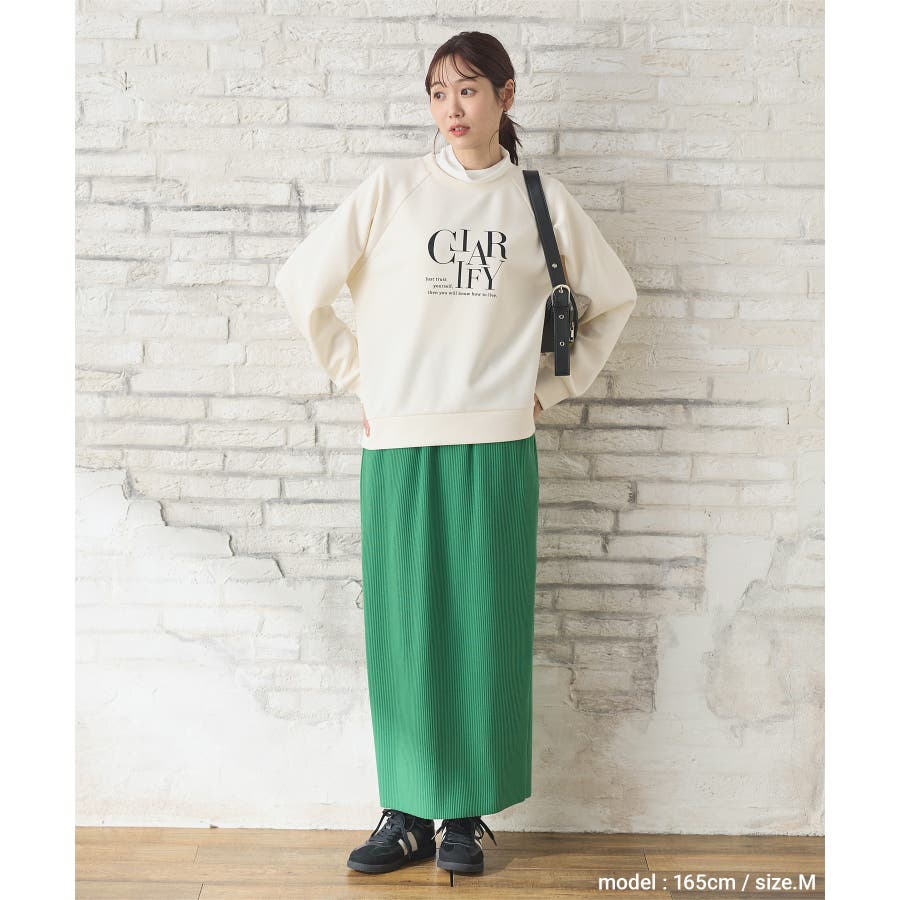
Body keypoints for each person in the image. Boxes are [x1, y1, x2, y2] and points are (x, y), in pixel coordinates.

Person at [274, 31, 638, 879]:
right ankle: (405, 811)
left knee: (484, 624)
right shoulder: (391, 189)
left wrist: (547, 391)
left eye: (468, 90)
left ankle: (465, 815)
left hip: (498, 441)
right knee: (404, 626)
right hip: (400, 441)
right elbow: (301, 285)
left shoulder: (540, 200)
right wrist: (359, 375)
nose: (451, 108)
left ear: (507, 96)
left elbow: (613, 300)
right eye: (438, 92)